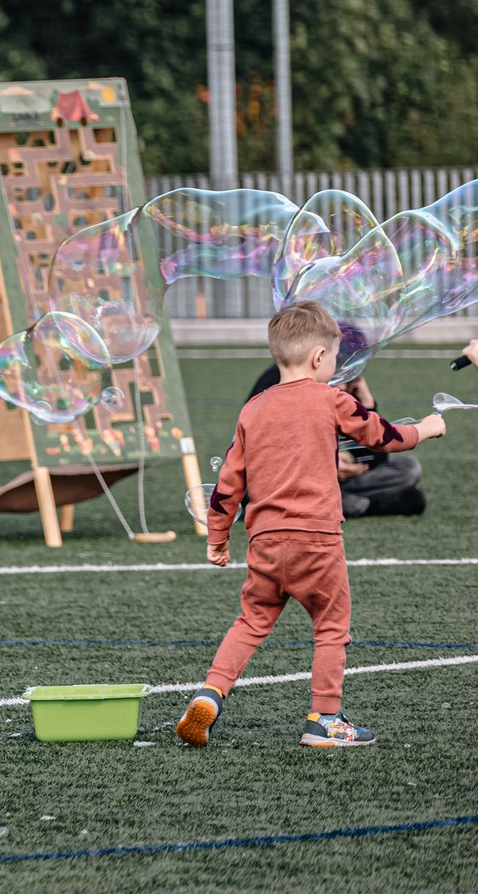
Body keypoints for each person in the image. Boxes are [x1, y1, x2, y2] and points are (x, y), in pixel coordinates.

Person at [176, 302, 445, 751]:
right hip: (317, 540)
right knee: (330, 627)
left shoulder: (254, 410)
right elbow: (383, 437)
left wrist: (218, 539)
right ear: (320, 358)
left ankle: (210, 694)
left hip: (264, 542)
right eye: (336, 357)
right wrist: (429, 428)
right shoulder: (331, 399)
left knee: (250, 623)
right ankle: (325, 719)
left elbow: (227, 486)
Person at [245, 362, 423, 517]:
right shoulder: (277, 381)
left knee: (408, 467)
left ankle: (340, 501)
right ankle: (368, 505)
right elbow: (260, 452)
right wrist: (325, 463)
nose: (344, 387)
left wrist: (367, 403)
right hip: (284, 482)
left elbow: (374, 461)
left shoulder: (343, 391)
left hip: (325, 485)